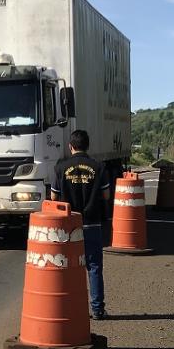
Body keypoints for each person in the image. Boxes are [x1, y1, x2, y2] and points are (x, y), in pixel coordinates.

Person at [50, 130, 112, 320]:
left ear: (70, 146)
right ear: (88, 146)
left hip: (69, 226)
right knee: (94, 267)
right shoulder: (98, 167)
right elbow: (106, 195)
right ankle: (97, 309)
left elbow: (53, 197)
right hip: (92, 224)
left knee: (67, 268)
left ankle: (69, 308)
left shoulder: (61, 168)